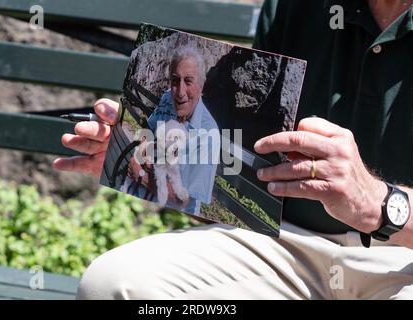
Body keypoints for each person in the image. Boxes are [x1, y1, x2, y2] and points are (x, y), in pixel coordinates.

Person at [53, 0, 413, 299]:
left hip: (402, 262)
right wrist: (143, 159)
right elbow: (241, 189)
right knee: (116, 285)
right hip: (285, 248)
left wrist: (379, 204)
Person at [124, 46, 219, 215]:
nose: (180, 92)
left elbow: (184, 200)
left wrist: (141, 176)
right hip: (134, 196)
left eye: (188, 81)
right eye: (175, 80)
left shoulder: (208, 134)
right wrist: (144, 145)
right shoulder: (168, 96)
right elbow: (148, 130)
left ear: (201, 86)